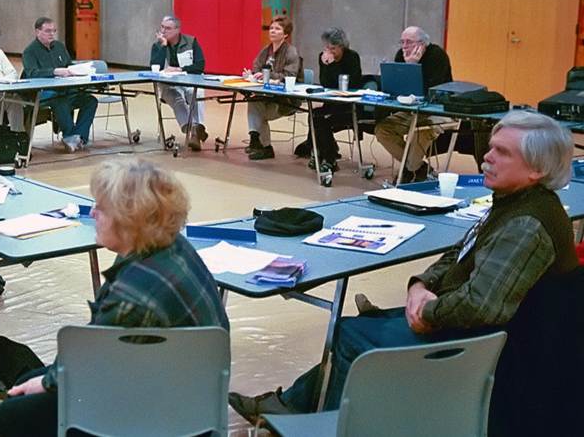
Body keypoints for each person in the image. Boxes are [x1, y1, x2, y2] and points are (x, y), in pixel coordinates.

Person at [229, 110, 578, 422]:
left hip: (489, 344)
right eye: (491, 147)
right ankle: (292, 406)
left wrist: (428, 312)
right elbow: (460, 253)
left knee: (349, 334)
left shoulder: (525, 224)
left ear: (536, 169)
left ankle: (341, 427)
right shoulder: (515, 202)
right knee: (363, 325)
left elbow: (479, 306)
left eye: (502, 152)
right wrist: (420, 285)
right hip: (474, 321)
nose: (486, 157)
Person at [0, 159, 230, 436]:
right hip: (196, 404)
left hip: (152, 410)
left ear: (129, 220)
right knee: (26, 381)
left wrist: (47, 382)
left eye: (101, 208)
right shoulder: (177, 247)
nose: (92, 212)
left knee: (12, 414)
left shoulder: (133, 297)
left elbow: (88, 364)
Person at [375, 26, 453, 183]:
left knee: (420, 132)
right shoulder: (401, 55)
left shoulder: (437, 56)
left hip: (438, 110)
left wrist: (412, 67)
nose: (404, 46)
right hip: (411, 110)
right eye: (402, 42)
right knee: (383, 130)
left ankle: (409, 172)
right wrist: (407, 66)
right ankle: (418, 168)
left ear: (422, 44)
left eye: (408, 42)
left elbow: (429, 90)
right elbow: (398, 90)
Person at [21, 16, 98, 153]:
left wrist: (78, 70)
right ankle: (69, 136)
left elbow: (68, 65)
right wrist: (54, 71)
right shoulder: (29, 52)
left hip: (65, 88)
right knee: (59, 99)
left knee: (90, 100)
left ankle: (79, 137)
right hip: (43, 92)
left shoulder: (59, 47)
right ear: (37, 32)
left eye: (53, 31)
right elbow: (32, 73)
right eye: (47, 31)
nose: (51, 34)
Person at [304, 27, 363, 172]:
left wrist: (335, 64)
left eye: (334, 48)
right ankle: (326, 153)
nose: (330, 51)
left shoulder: (352, 57)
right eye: (327, 47)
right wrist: (327, 65)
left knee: (322, 120)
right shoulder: (323, 57)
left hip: (349, 106)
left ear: (342, 47)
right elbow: (325, 83)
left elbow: (354, 83)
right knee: (314, 116)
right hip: (331, 102)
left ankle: (328, 157)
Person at [244, 16, 303, 160]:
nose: (273, 31)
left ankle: (261, 144)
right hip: (267, 97)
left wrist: (269, 75)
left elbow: (289, 75)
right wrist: (252, 75)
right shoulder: (266, 50)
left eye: (277, 29)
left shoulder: (291, 52)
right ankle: (256, 140)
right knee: (253, 101)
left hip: (285, 100)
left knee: (259, 113)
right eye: (271, 28)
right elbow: (256, 67)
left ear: (285, 34)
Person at [149, 16, 208, 150]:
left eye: (168, 28)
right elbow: (154, 68)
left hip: (189, 80)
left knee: (195, 93)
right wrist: (163, 46)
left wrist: (179, 69)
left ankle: (195, 131)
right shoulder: (158, 45)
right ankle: (194, 131)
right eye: (162, 27)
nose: (163, 31)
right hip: (169, 84)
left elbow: (200, 66)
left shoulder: (191, 41)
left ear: (177, 30)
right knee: (175, 98)